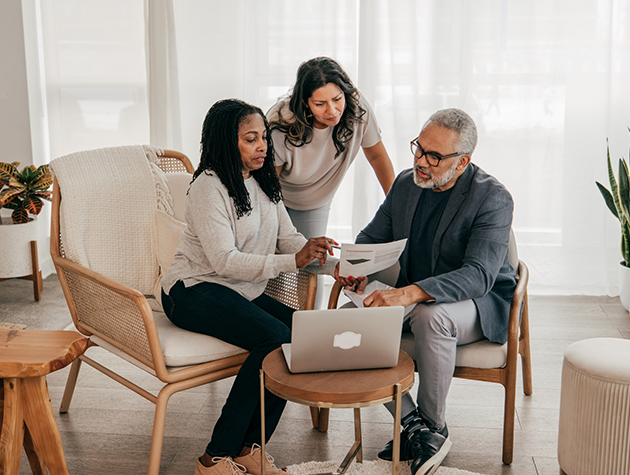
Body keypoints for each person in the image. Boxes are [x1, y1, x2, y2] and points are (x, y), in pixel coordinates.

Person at [334, 109, 517, 475]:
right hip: (418, 297)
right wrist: (354, 268)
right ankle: (416, 428)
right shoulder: (405, 184)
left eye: (434, 156)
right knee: (347, 322)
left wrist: (409, 293)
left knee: (430, 315)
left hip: (478, 304)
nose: (421, 161)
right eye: (418, 148)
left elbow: (478, 275)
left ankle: (434, 425)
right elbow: (373, 237)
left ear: (462, 161)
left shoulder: (492, 198)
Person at [161, 99, 336, 475]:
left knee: (302, 336)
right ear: (228, 142)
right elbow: (224, 261)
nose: (262, 147)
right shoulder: (208, 188)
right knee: (273, 337)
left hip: (241, 290)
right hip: (193, 289)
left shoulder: (263, 182)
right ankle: (214, 457)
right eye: (250, 139)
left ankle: (248, 448)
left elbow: (289, 238)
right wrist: (295, 260)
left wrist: (334, 265)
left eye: (263, 139)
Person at [268, 56, 395, 238]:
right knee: (273, 257)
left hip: (315, 201)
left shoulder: (358, 110)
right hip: (275, 197)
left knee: (310, 263)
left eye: (337, 99)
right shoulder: (281, 122)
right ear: (305, 102)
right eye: (320, 104)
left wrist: (395, 206)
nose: (332, 111)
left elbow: (377, 157)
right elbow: (268, 185)